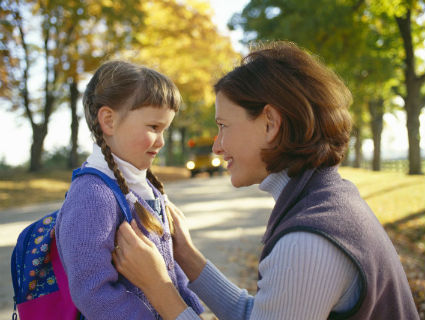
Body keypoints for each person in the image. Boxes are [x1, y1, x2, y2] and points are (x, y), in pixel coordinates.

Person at [112, 42, 420, 320]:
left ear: (270, 124)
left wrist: (158, 288)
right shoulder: (327, 199)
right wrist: (188, 257)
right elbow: (260, 314)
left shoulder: (308, 242)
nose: (217, 146)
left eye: (223, 126)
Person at [55, 61, 204, 320]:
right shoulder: (93, 195)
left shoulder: (146, 189)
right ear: (109, 121)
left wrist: (195, 312)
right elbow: (92, 291)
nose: (162, 141)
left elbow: (171, 270)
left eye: (165, 129)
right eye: (154, 128)